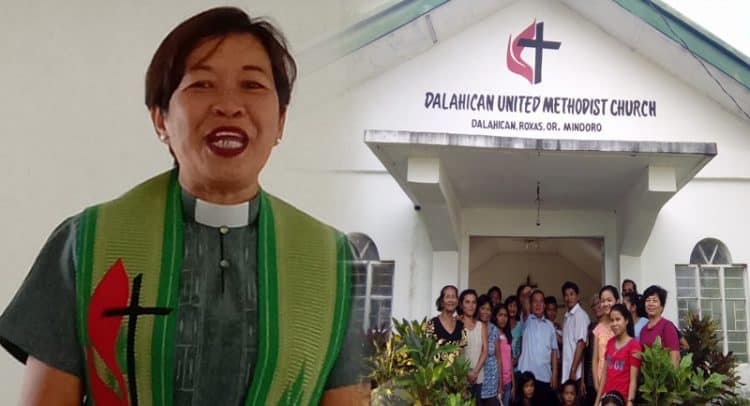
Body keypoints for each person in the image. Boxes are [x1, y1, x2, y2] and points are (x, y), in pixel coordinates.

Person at [0, 7, 367, 405]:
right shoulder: (86, 244)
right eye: (202, 85)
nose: (229, 105)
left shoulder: (332, 263)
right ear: (161, 119)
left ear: (280, 121)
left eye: (252, 85)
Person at [518, 289, 559, 404]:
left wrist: (554, 374)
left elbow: (554, 352)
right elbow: (525, 308)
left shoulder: (550, 326)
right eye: (535, 301)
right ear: (530, 304)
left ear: (544, 305)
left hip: (545, 376)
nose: (538, 304)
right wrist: (526, 295)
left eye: (541, 301)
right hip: (527, 376)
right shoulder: (527, 320)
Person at [594, 304, 641, 406]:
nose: (614, 323)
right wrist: (597, 402)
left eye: (618, 319)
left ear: (626, 320)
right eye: (612, 320)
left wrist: (629, 402)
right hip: (606, 400)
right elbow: (604, 375)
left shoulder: (634, 345)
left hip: (621, 401)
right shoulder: (610, 343)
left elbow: (633, 380)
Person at [639, 285, 680, 367]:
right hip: (649, 377)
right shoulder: (643, 330)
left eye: (654, 301)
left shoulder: (667, 326)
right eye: (648, 300)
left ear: (661, 306)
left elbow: (675, 357)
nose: (650, 303)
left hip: (664, 376)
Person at [426, 285, 467, 364]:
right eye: (447, 297)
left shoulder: (461, 326)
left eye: (453, 297)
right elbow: (427, 353)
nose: (451, 300)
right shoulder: (431, 324)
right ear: (442, 301)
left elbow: (461, 353)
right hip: (436, 374)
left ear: (457, 301)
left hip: (455, 374)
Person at [561, 282, 590, 396]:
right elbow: (567, 341)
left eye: (572, 294)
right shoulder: (568, 316)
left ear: (577, 296)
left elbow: (581, 344)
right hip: (568, 370)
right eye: (566, 295)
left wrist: (573, 369)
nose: (569, 298)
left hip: (576, 373)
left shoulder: (580, 315)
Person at [460, 289, 489, 402]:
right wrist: (467, 373)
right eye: (467, 302)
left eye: (474, 302)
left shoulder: (481, 326)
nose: (471, 306)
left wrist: (474, 372)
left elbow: (485, 351)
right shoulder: (457, 324)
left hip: (478, 377)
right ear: (461, 305)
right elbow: (457, 352)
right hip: (462, 377)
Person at [592, 286, 618, 395]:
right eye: (602, 301)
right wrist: (597, 385)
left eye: (609, 300)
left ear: (617, 301)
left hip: (618, 381)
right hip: (601, 384)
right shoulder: (598, 328)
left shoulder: (621, 326)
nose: (606, 304)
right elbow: (595, 359)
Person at [478, 295, 502, 405]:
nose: (485, 312)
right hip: (476, 379)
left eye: (488, 309)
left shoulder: (494, 329)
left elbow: (498, 358)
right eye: (483, 308)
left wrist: (500, 384)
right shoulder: (472, 327)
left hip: (492, 382)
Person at [582, 295, 602, 406]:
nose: (597, 306)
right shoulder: (591, 327)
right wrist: (583, 380)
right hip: (590, 378)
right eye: (593, 305)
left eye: (598, 303)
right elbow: (585, 355)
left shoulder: (612, 325)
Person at [494, 303, 515, 406]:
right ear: (495, 316)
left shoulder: (506, 335)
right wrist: (500, 383)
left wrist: (513, 385)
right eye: (500, 315)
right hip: (498, 382)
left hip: (508, 382)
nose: (503, 319)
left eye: (505, 315)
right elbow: (498, 360)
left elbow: (510, 361)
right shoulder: (494, 333)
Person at [505, 295, 524, 372]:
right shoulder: (502, 325)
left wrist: (517, 360)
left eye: (514, 306)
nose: (512, 308)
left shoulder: (521, 326)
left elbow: (523, 349)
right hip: (504, 369)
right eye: (510, 306)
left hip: (518, 368)